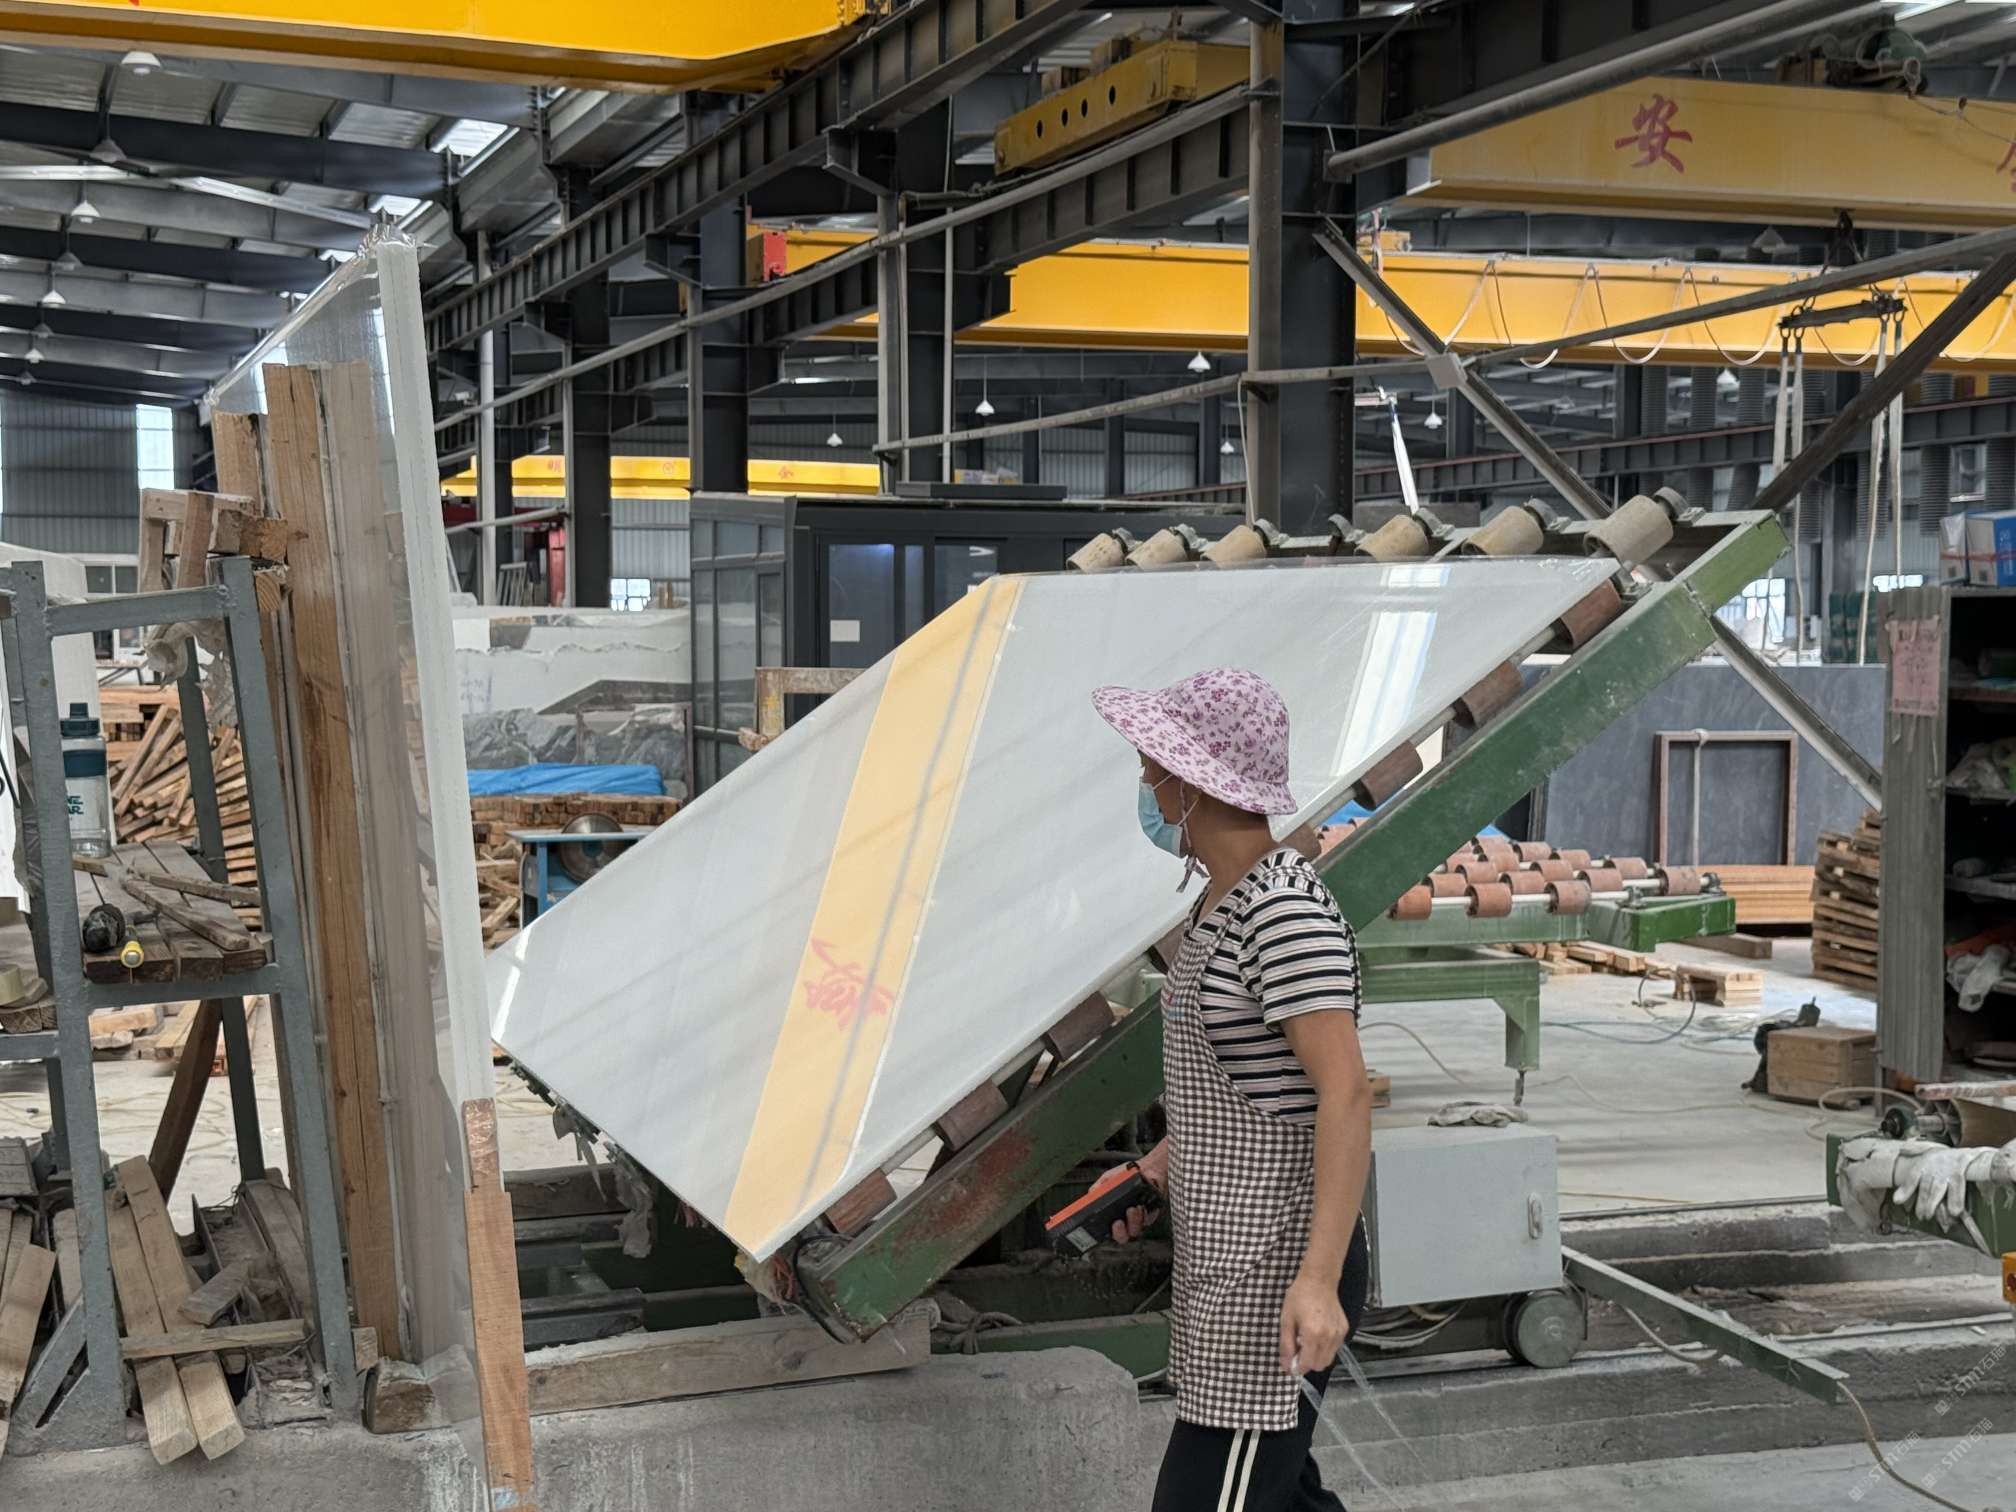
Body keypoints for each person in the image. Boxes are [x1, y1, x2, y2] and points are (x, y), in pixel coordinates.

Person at [1091, 666, 1374, 1512]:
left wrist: (1318, 1281)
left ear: (1194, 783)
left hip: (1277, 1268)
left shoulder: (1283, 913)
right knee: (1279, 1496)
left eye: (1155, 764)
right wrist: (1157, 1167)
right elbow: (1257, 1084)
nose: (1146, 779)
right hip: (1231, 1258)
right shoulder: (1221, 904)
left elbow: (1344, 1094)